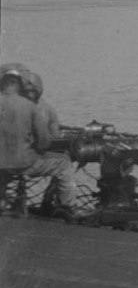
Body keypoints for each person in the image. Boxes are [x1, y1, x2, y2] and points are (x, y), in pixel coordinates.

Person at [19, 70, 83, 217]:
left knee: (60, 157)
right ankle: (67, 206)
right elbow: (51, 139)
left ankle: (47, 203)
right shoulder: (45, 109)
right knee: (64, 163)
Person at [0, 65, 49, 216]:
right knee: (64, 164)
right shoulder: (31, 106)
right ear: (19, 85)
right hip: (23, 164)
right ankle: (67, 208)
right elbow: (44, 141)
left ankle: (3, 200)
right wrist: (38, 149)